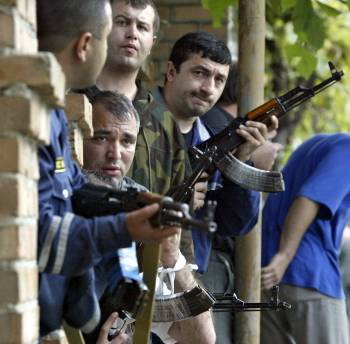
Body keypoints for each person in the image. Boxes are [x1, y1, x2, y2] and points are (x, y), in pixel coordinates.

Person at [36, 1, 178, 337]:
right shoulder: (31, 117)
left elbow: (73, 191)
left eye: (127, 142)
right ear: (85, 45)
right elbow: (36, 234)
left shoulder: (52, 113)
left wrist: (129, 201)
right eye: (107, 34)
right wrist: (124, 226)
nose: (115, 153)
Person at [83, 90, 216, 343]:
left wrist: (172, 258)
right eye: (101, 138)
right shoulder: (56, 196)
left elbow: (200, 339)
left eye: (127, 141)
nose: (115, 153)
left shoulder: (142, 203)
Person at [152, 31, 279, 274]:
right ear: (171, 71)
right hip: (135, 271)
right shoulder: (135, 122)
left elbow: (235, 223)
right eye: (199, 73)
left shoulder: (213, 136)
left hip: (189, 277)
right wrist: (179, 193)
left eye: (219, 79)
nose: (209, 88)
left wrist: (241, 161)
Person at [261, 133, 350, 344]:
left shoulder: (317, 143)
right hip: (309, 275)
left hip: (268, 274)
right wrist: (285, 255)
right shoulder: (348, 150)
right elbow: (308, 199)